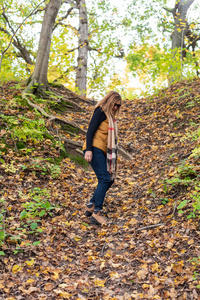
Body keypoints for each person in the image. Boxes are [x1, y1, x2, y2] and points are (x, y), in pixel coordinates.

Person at [83, 91, 122, 225]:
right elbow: (90, 131)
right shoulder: (100, 112)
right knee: (104, 178)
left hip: (102, 151)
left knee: (109, 179)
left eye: (118, 106)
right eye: (115, 104)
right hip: (94, 148)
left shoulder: (110, 117)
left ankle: (91, 205)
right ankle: (97, 212)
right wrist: (88, 150)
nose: (116, 108)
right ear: (110, 101)